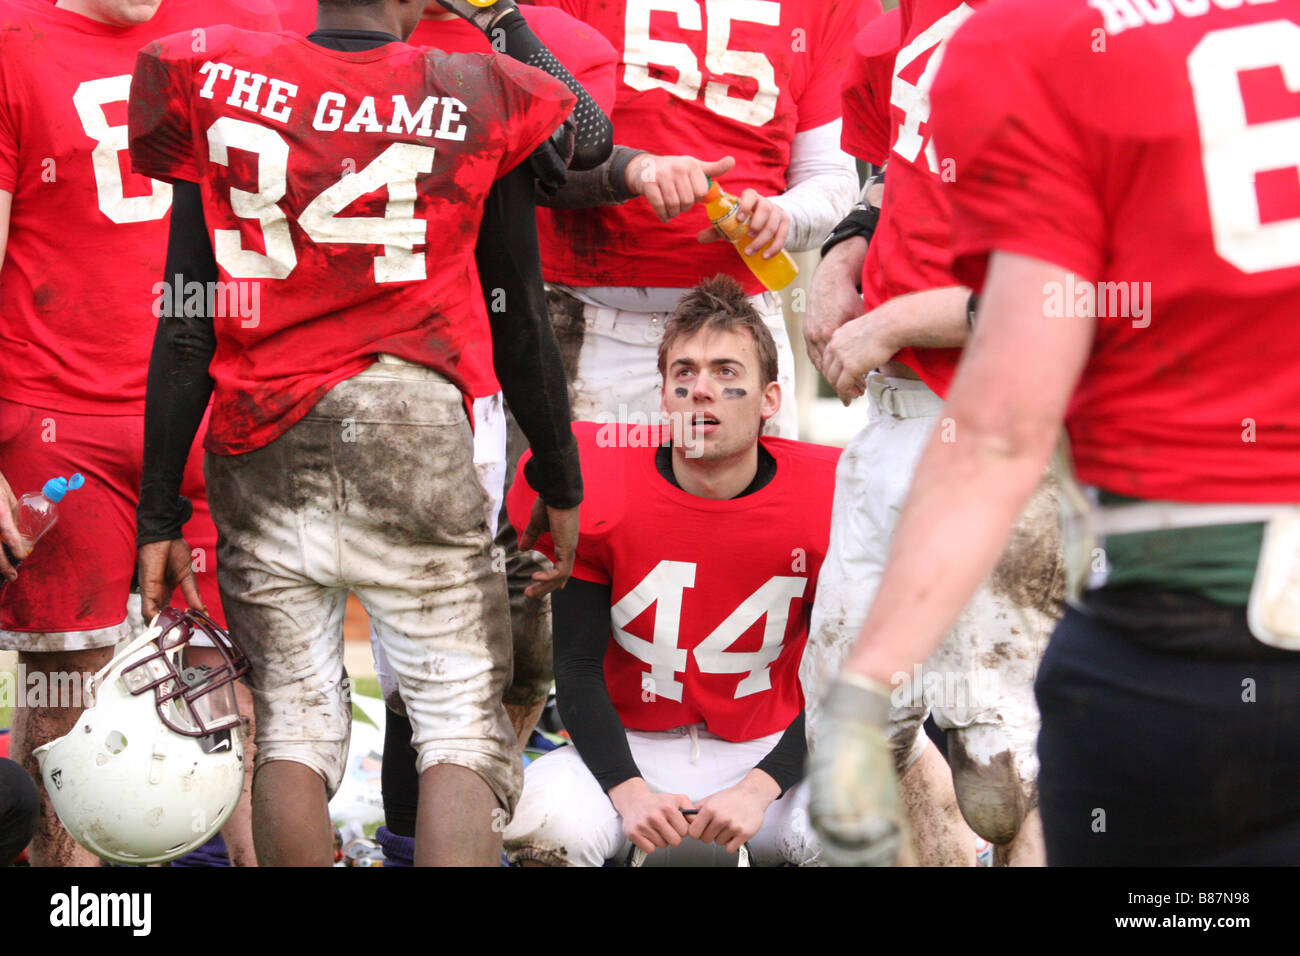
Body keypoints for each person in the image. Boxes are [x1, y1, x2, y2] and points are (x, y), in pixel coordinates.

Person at [811, 0, 1300, 866]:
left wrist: (864, 683)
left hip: (1190, 625)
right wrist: (854, 237)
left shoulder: (1038, 43)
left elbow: (1003, 422)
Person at [128, 0, 585, 865]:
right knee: (459, 726)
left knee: (294, 723)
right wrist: (559, 478)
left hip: (260, 432)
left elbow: (186, 316)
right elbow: (520, 315)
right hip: (412, 421)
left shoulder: (216, 81)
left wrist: (158, 513)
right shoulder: (482, 88)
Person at [0, 0, 279, 868]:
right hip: (58, 417)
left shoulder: (242, 25)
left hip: (214, 407)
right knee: (63, 689)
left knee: (241, 681)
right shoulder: (11, 39)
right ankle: (73, 907)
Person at [798, 0, 1062, 866]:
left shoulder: (1082, 36)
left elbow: (1074, 284)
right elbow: (894, 173)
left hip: (1003, 427)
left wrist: (893, 320)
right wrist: (845, 247)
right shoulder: (905, 25)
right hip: (895, 416)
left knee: (1007, 764)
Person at [502, 275, 839, 866]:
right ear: (663, 397)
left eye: (727, 373)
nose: (700, 390)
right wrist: (628, 791)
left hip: (766, 748)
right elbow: (576, 666)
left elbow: (847, 682)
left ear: (770, 400)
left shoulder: (832, 493)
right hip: (631, 742)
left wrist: (761, 786)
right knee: (543, 823)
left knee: (857, 830)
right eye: (683, 374)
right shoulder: (600, 483)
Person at [524, 0, 867, 440]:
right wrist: (634, 170)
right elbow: (531, 146)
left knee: (743, 508)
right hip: (584, 314)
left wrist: (780, 215)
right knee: (584, 505)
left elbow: (830, 177)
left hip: (741, 325)